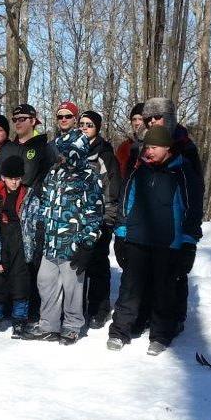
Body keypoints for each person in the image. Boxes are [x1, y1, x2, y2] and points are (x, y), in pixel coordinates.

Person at [107, 126, 203, 355]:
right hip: (137, 239)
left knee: (164, 291)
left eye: (154, 147)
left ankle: (160, 335)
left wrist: (189, 243)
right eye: (147, 147)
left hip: (169, 243)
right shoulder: (138, 171)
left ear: (167, 148)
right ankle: (120, 331)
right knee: (130, 289)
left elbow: (192, 210)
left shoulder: (182, 172)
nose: (148, 151)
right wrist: (121, 234)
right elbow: (125, 203)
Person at [23, 111, 104, 346]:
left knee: (73, 287)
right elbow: (46, 202)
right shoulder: (54, 173)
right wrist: (42, 229)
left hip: (74, 242)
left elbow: (94, 212)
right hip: (51, 241)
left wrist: (87, 244)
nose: (63, 156)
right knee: (45, 281)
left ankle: (72, 325)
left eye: (67, 152)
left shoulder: (89, 176)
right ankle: (49, 325)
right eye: (61, 152)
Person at [142, 97, 202, 335]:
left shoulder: (185, 146)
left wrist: (191, 229)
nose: (153, 122)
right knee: (149, 270)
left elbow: (196, 191)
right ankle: (149, 313)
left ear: (169, 118)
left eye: (157, 117)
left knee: (175, 273)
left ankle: (176, 316)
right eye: (149, 118)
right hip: (150, 219)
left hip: (178, 220)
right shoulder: (144, 145)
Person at [0, 155, 39, 339]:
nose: (14, 182)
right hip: (0, 243)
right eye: (10, 178)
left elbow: (36, 222)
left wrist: (34, 249)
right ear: (3, 177)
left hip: (21, 245)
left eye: (17, 178)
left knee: (21, 286)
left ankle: (19, 321)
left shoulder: (29, 196)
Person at [8, 103, 56, 321]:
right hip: (9, 212)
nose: (18, 123)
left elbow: (51, 181)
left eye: (23, 119)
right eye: (15, 119)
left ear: (34, 120)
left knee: (32, 262)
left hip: (34, 214)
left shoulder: (44, 146)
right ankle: (13, 304)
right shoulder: (8, 147)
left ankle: (34, 309)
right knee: (12, 260)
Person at [79, 110, 122, 329]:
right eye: (82, 124)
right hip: (75, 220)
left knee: (97, 264)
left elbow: (112, 191)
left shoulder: (104, 155)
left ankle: (99, 308)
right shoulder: (73, 151)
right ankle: (76, 309)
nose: (84, 128)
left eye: (89, 125)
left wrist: (107, 220)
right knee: (78, 265)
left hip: (99, 219)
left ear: (97, 128)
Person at [115, 102, 145, 180]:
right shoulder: (124, 146)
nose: (137, 123)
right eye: (134, 119)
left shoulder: (156, 144)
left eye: (140, 119)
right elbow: (118, 174)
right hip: (127, 188)